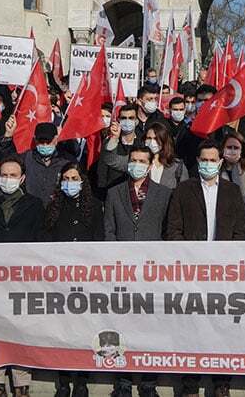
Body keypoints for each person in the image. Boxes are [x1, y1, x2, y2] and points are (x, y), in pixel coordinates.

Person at [165, 140, 245, 397]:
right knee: (191, 328)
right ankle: (190, 384)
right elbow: (173, 231)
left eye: (213, 160)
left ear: (220, 162)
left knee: (223, 328)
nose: (209, 164)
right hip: (191, 273)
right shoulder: (183, 190)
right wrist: (189, 259)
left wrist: (228, 261)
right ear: (197, 161)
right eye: (205, 160)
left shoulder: (232, 192)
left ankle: (222, 383)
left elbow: (239, 233)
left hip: (223, 274)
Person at [0, 157, 45, 397]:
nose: (8, 179)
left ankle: (21, 383)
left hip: (23, 278)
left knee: (21, 329)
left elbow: (40, 241)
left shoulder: (34, 204)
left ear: (22, 178)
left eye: (13, 175)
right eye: (5, 174)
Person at [103, 146, 171, 397]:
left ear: (151, 164)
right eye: (133, 160)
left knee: (150, 326)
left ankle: (148, 381)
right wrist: (115, 260)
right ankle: (122, 379)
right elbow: (109, 229)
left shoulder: (164, 193)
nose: (137, 164)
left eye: (142, 161)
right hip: (122, 271)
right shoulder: (114, 193)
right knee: (121, 323)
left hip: (152, 271)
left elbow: (167, 231)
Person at [45, 161, 100, 397]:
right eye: (66, 178)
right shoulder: (52, 207)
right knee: (64, 331)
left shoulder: (94, 206)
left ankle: (81, 380)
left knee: (85, 329)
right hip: (60, 278)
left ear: (82, 181)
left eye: (74, 178)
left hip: (87, 279)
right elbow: (44, 242)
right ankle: (64, 380)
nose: (70, 183)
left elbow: (100, 241)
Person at [143, 122, 187, 190]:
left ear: (163, 140)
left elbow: (184, 191)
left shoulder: (177, 165)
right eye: (149, 138)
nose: (152, 142)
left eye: (156, 138)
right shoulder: (139, 161)